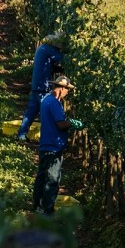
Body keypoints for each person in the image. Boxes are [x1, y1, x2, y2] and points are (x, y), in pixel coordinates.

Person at [32, 76, 84, 215]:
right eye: (67, 90)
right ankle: (47, 212)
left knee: (42, 177)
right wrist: (72, 123)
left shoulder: (46, 100)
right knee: (52, 179)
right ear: (62, 89)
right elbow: (60, 123)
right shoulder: (54, 103)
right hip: (53, 147)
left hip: (45, 145)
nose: (68, 93)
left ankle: (38, 206)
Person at [17, 32, 65, 140]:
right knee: (47, 112)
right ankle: (48, 137)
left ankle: (21, 134)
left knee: (31, 111)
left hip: (36, 84)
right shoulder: (50, 50)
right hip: (43, 85)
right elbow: (62, 59)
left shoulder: (42, 48)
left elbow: (47, 65)